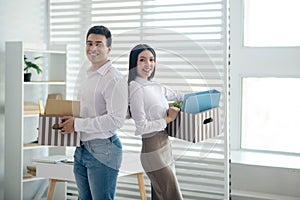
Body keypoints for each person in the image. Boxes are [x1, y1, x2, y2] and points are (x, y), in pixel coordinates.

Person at [59, 25, 128, 200]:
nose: (93, 48)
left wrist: (77, 124)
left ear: (109, 49)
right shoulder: (89, 75)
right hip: (81, 148)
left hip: (103, 149)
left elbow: (116, 120)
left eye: (99, 44)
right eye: (89, 43)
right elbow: (85, 112)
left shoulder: (114, 79)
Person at [128, 44, 183, 200]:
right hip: (152, 151)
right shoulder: (135, 87)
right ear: (134, 63)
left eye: (151, 60)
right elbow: (142, 126)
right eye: (142, 60)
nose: (148, 64)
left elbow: (179, 97)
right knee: (173, 196)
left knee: (161, 196)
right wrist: (168, 119)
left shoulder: (156, 86)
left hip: (165, 147)